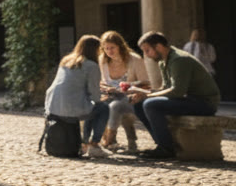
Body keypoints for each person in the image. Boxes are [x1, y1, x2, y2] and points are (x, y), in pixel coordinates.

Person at [131, 31, 221, 159]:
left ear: (159, 46)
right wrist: (144, 93)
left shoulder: (179, 59)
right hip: (188, 100)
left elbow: (177, 91)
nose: (146, 55)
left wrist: (148, 96)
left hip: (205, 103)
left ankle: (167, 149)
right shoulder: (163, 61)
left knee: (151, 104)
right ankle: (160, 144)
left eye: (147, 50)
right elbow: (165, 88)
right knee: (139, 104)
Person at [45, 35, 110, 157]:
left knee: (91, 107)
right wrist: (104, 97)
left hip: (54, 107)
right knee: (102, 108)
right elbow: (95, 96)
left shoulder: (66, 61)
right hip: (71, 110)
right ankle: (94, 144)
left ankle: (85, 143)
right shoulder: (91, 65)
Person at [97, 30, 149, 152]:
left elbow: (146, 83)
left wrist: (132, 88)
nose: (109, 51)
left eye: (112, 48)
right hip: (110, 94)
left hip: (132, 96)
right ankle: (98, 141)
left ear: (120, 46)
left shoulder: (134, 59)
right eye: (106, 48)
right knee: (97, 105)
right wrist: (105, 88)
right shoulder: (102, 60)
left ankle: (109, 140)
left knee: (115, 106)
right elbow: (101, 81)